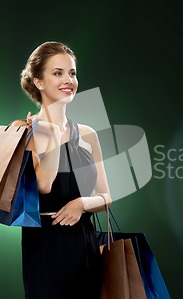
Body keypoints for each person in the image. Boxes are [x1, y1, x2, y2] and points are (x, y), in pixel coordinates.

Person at [19, 41, 112, 299]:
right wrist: (54, 134)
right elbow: (44, 185)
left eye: (71, 73)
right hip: (45, 245)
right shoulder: (26, 131)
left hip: (85, 243)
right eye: (57, 73)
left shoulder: (89, 134)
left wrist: (81, 203)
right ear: (38, 82)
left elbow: (106, 197)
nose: (68, 80)